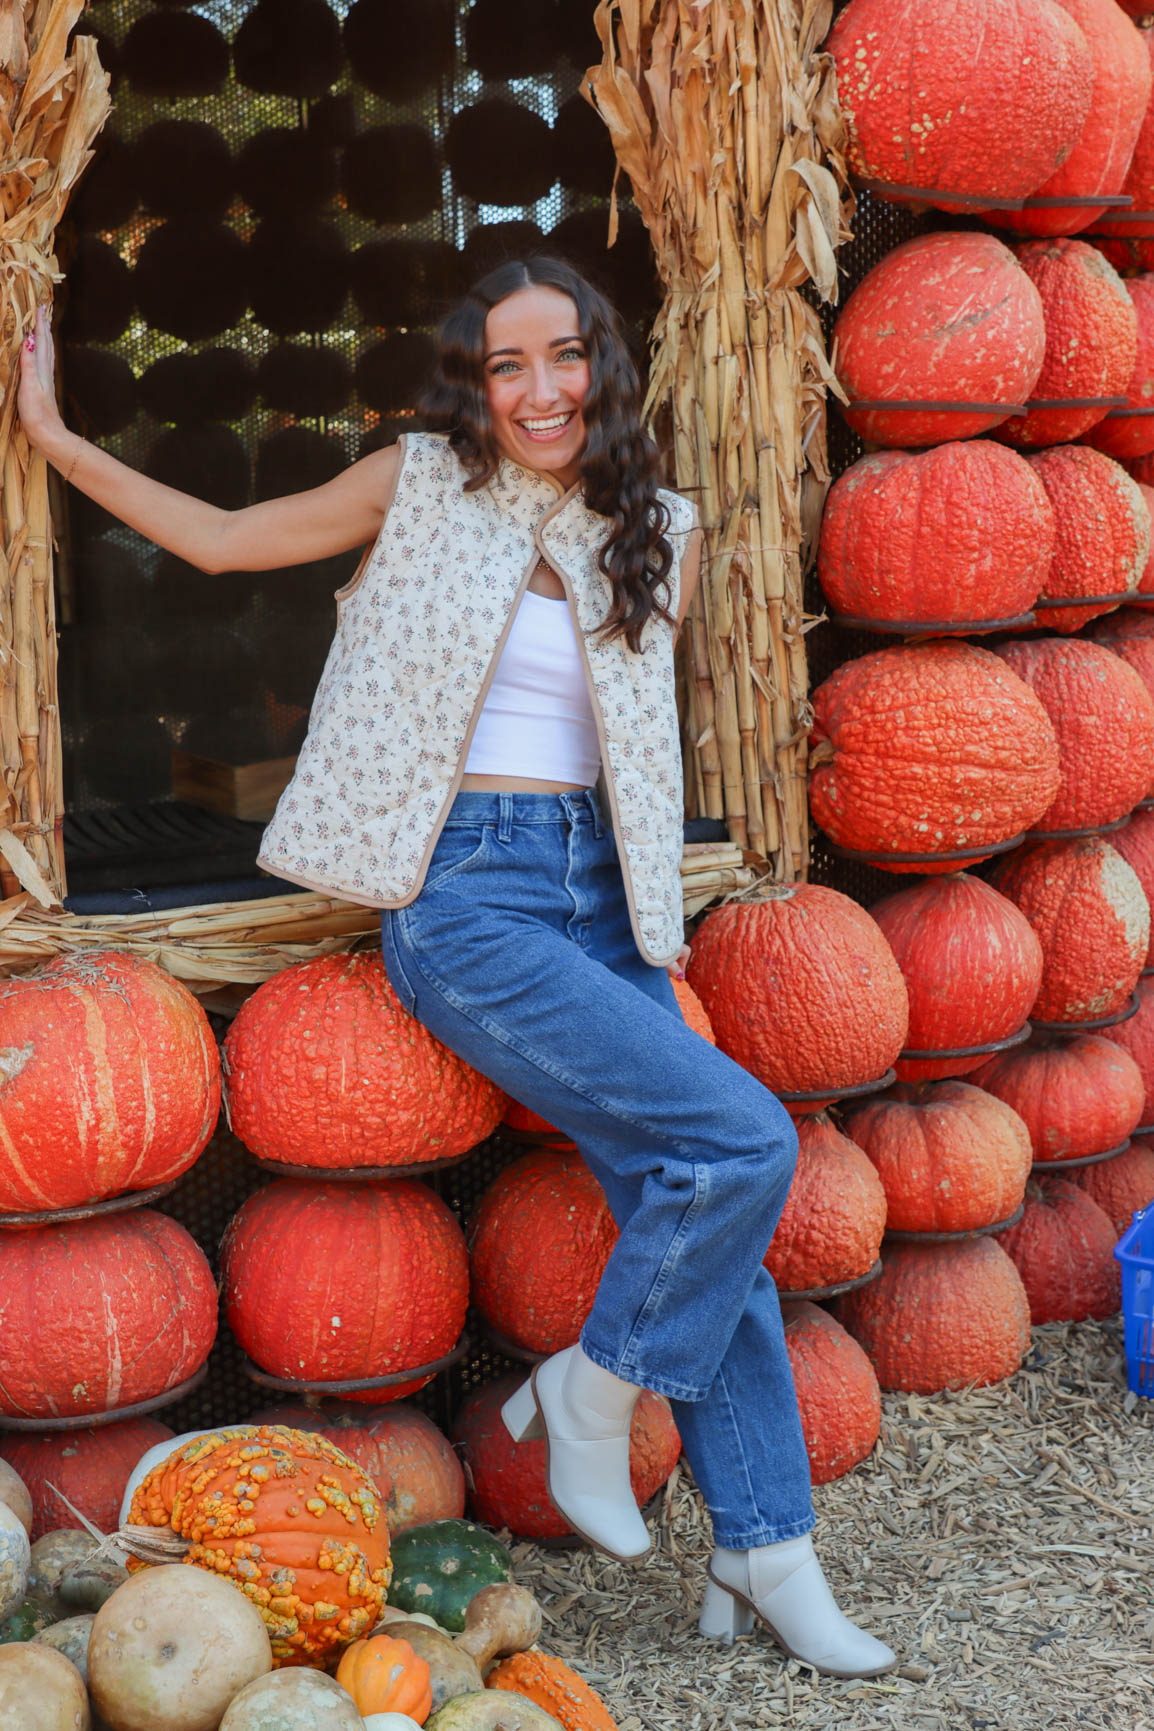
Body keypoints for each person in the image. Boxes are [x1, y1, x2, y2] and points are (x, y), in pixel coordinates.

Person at [19, 255, 895, 1680]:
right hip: (470, 903)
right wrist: (59, 441)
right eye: (505, 366)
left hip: (604, 901)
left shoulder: (650, 523)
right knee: (740, 1142)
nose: (537, 390)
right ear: (472, 385)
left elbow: (633, 748)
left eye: (561, 359)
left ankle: (763, 1547)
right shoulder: (417, 483)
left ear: (600, 369)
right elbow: (231, 541)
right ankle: (589, 1395)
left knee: (713, 1215)